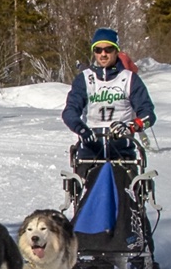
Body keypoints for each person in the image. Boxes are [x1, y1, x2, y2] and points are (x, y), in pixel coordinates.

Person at [62, 27, 155, 179]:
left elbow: (148, 113)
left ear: (117, 51)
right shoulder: (84, 79)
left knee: (128, 198)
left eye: (108, 49)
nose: (103, 54)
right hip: (90, 151)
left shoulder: (130, 79)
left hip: (122, 153)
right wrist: (82, 130)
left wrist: (131, 126)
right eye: (98, 50)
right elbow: (69, 112)